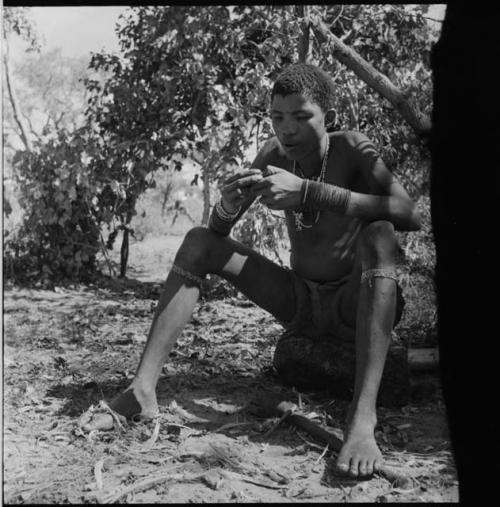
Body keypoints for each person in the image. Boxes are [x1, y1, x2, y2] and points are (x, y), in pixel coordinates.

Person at [81, 63, 421, 478]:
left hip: (355, 302)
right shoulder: (273, 156)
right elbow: (217, 232)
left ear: (328, 119)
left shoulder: (352, 148)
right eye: (277, 118)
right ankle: (142, 389)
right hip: (300, 302)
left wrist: (312, 193)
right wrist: (227, 202)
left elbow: (409, 214)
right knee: (197, 242)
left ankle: (361, 419)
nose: (287, 130)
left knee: (380, 234)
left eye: (300, 117)